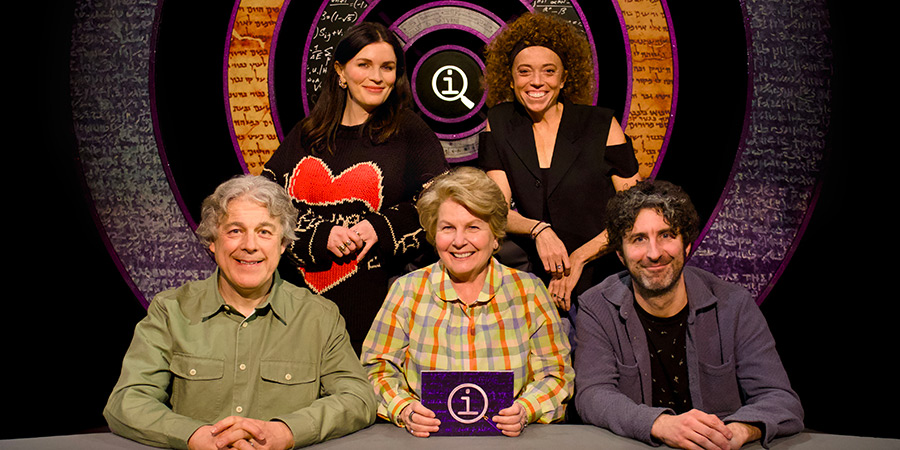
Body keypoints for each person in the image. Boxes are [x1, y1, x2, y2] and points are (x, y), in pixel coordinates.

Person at [104, 175, 377, 449]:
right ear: (213, 241)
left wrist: (286, 432)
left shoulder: (320, 317)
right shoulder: (171, 310)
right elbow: (127, 401)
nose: (249, 245)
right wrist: (195, 436)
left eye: (265, 232)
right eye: (235, 231)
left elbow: (358, 398)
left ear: (282, 245)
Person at [574, 180, 804, 449]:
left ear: (687, 245)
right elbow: (592, 395)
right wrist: (659, 424)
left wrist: (738, 431)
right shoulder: (597, 307)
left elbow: (780, 398)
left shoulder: (734, 304)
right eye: (638, 239)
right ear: (621, 256)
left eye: (666, 235)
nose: (654, 253)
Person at [263, 22, 449, 354]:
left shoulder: (409, 130)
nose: (377, 77)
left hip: (374, 316)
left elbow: (441, 203)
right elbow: (264, 203)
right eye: (364, 65)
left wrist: (381, 226)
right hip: (292, 310)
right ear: (340, 71)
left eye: (387, 67)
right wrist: (320, 236)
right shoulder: (308, 133)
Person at [360, 167, 573, 437]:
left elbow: (557, 375)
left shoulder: (529, 291)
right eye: (447, 228)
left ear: (495, 236)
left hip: (509, 441)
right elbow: (375, 368)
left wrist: (526, 409)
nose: (459, 241)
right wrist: (405, 408)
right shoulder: (406, 290)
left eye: (473, 228)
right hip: (427, 441)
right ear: (433, 234)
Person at [479, 12, 642, 319]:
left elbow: (636, 213)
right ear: (510, 79)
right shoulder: (498, 123)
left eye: (548, 71)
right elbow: (496, 209)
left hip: (603, 279)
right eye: (524, 72)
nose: (536, 81)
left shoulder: (601, 124)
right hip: (529, 281)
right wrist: (539, 230)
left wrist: (579, 258)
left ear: (565, 77)